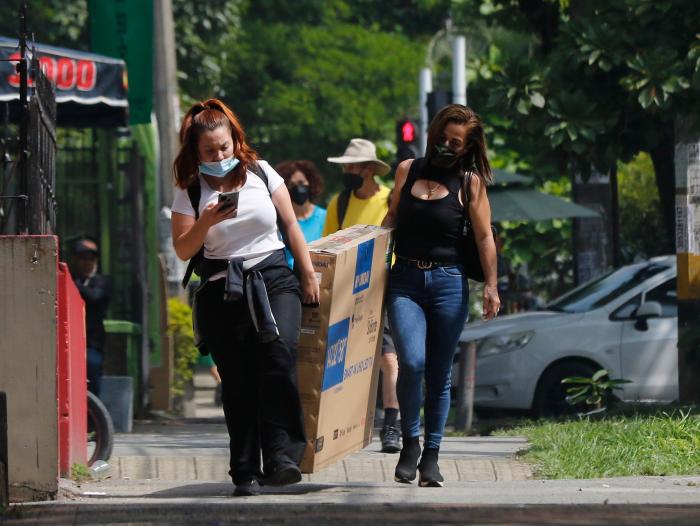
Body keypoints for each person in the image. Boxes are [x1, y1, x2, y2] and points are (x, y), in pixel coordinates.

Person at [170, 98, 320, 497]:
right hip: (224, 287)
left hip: (273, 276)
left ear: (235, 139)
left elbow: (290, 224)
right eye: (209, 151)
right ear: (195, 152)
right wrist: (206, 221)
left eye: (224, 146)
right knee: (238, 382)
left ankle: (283, 457)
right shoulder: (189, 191)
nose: (219, 155)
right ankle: (244, 471)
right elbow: (184, 249)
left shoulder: (261, 171)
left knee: (278, 354)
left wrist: (306, 273)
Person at [382, 104, 500, 487]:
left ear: (466, 148)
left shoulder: (470, 183)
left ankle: (431, 455)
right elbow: (391, 220)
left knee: (439, 374)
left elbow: (484, 237)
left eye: (456, 142)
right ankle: (410, 443)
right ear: (433, 134)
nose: (447, 146)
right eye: (443, 138)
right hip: (405, 280)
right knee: (411, 362)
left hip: (449, 283)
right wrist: (365, 258)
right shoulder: (407, 170)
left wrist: (492, 286)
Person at [323, 138, 402, 454]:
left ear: (369, 169)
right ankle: (346, 426)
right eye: (346, 167)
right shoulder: (339, 203)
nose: (348, 172)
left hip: (383, 286)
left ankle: (392, 425)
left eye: (353, 167)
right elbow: (327, 244)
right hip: (346, 291)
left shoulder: (389, 200)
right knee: (344, 357)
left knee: (387, 356)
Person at [70, 237, 111, 398]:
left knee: (92, 369)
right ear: (75, 260)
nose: (87, 263)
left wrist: (70, 281)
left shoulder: (102, 282)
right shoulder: (73, 280)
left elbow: (94, 297)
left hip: (92, 344)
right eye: (83, 259)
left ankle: (93, 418)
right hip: (70, 341)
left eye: (91, 259)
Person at [274, 160, 327, 269]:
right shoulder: (279, 223)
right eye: (292, 185)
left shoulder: (326, 217)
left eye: (301, 183)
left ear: (311, 183)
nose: (298, 188)